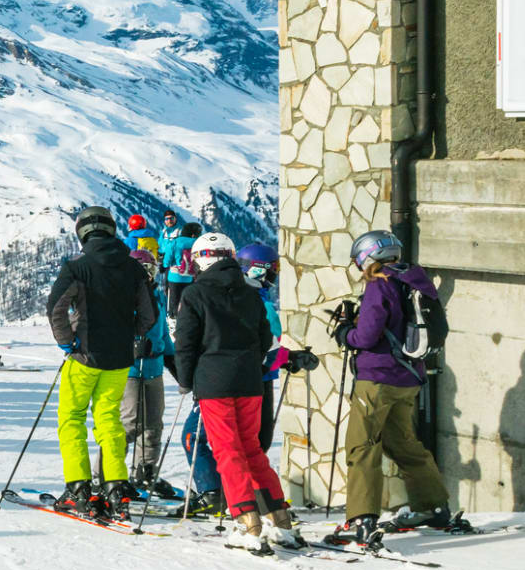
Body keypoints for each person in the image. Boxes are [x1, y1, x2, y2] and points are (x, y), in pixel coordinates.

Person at [173, 232, 306, 553]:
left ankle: (247, 520)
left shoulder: (195, 293)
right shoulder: (250, 293)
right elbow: (265, 342)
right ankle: (280, 517)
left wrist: (187, 381)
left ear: (201, 258)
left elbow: (186, 344)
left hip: (213, 383)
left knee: (227, 452)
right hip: (250, 382)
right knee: (251, 449)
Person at [326, 229, 455, 547]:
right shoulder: (416, 279)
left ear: (366, 257)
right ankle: (433, 507)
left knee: (362, 446)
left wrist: (345, 332)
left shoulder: (379, 283)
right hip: (409, 377)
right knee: (403, 445)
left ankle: (363, 519)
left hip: (377, 378)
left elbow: (368, 336)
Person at [44, 207, 158, 518]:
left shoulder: (77, 266)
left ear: (82, 232)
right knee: (109, 422)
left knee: (72, 419)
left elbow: (55, 308)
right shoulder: (133, 268)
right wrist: (130, 336)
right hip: (120, 360)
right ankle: (115, 487)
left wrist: (68, 341)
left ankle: (78, 488)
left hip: (84, 357)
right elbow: (150, 315)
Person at [123, 247, 179, 498]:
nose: (149, 274)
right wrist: (131, 345)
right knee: (130, 422)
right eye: (145, 270)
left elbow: (163, 333)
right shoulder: (123, 295)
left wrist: (176, 364)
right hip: (131, 370)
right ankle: (104, 475)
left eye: (152, 269)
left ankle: (144, 472)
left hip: (154, 368)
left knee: (153, 423)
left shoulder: (156, 294)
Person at [160, 219, 202, 320]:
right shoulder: (198, 243)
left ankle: (173, 317)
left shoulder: (175, 242)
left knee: (174, 300)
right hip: (191, 277)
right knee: (188, 300)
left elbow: (167, 261)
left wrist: (165, 265)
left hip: (174, 277)